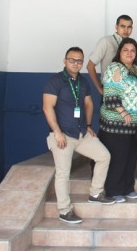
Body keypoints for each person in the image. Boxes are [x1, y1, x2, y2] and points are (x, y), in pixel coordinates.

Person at [43, 47, 115, 224]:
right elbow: (47, 107)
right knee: (63, 173)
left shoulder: (83, 82)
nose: (76, 63)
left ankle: (96, 192)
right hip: (63, 136)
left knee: (104, 156)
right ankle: (64, 210)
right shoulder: (55, 81)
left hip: (82, 133)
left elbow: (89, 104)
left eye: (79, 61)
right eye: (72, 60)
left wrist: (89, 125)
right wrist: (57, 133)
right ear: (64, 61)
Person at [98, 38, 137, 203]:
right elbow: (110, 95)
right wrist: (123, 112)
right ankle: (113, 190)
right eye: (126, 50)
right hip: (116, 125)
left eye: (133, 50)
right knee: (118, 159)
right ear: (120, 52)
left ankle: (127, 188)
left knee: (130, 159)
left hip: (133, 125)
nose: (130, 53)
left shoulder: (136, 70)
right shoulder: (115, 67)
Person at [87, 15, 133, 96]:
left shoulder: (131, 45)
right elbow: (90, 66)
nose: (126, 30)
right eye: (123, 26)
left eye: (129, 27)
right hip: (109, 89)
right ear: (116, 27)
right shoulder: (106, 41)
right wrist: (100, 89)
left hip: (127, 91)